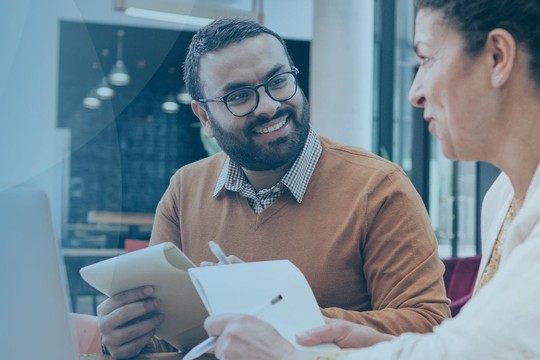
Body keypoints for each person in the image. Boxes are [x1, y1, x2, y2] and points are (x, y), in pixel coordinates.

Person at [201, 0, 540, 359]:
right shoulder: (500, 197)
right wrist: (387, 345)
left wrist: (287, 353)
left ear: (497, 58)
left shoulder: (379, 186)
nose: (415, 92)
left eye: (425, 59)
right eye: (238, 96)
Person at [97, 17, 451, 359]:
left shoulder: (379, 187)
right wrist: (123, 338)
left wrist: (280, 316)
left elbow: (428, 326)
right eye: (238, 96)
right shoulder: (184, 189)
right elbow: (171, 337)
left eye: (278, 80)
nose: (269, 106)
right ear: (204, 117)